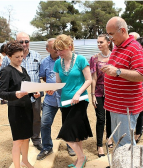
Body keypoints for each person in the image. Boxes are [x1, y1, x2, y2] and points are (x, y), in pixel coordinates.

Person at [101, 16, 143, 147]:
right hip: (116, 105)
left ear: (122, 30)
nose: (110, 38)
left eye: (111, 34)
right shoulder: (118, 46)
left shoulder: (134, 48)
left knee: (125, 143)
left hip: (126, 106)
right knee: (118, 140)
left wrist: (117, 72)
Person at [0, 41, 40, 168]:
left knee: (27, 137)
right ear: (9, 57)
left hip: (27, 107)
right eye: (17, 57)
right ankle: (17, 166)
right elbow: (2, 93)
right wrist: (15, 94)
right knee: (18, 141)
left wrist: (34, 93)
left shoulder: (23, 69)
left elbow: (28, 88)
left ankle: (25, 161)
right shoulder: (6, 71)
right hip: (16, 110)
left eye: (21, 56)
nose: (20, 59)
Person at [53, 34, 92, 168]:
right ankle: (80, 160)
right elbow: (58, 83)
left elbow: (89, 80)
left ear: (69, 47)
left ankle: (81, 157)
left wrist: (78, 93)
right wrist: (51, 89)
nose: (58, 53)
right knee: (76, 133)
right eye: (57, 50)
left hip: (80, 100)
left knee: (67, 133)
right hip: (65, 102)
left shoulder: (81, 60)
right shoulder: (58, 63)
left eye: (61, 50)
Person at [37, 38, 75, 160]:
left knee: (68, 123)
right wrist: (50, 86)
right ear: (47, 49)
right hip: (50, 99)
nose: (57, 49)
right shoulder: (44, 62)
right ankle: (47, 147)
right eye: (53, 47)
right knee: (45, 123)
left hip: (65, 98)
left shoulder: (65, 59)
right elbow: (43, 76)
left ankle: (71, 145)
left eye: (58, 47)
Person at [89, 34, 113, 158]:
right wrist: (92, 95)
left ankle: (109, 138)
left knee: (110, 117)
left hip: (112, 92)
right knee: (101, 119)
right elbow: (93, 78)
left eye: (101, 42)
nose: (98, 44)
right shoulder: (94, 58)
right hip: (98, 92)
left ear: (108, 43)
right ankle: (99, 145)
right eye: (97, 42)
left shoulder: (115, 56)